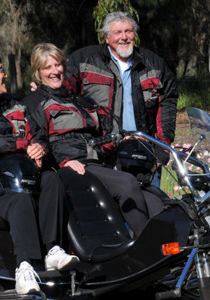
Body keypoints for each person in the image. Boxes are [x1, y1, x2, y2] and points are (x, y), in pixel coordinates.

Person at [0, 50, 78, 295]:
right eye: (0, 70)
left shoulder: (17, 105)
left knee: (52, 179)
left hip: (26, 174)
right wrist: (17, 144)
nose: (5, 74)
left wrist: (40, 148)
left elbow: (39, 136)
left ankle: (52, 250)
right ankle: (25, 267)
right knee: (20, 197)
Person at [24, 43, 162, 238]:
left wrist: (119, 141)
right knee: (126, 183)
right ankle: (147, 248)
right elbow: (38, 142)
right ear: (38, 71)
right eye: (48, 67)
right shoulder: (34, 102)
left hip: (96, 163)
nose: (55, 71)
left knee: (152, 196)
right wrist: (63, 161)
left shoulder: (79, 100)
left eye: (58, 65)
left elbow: (99, 137)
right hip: (70, 168)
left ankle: (172, 254)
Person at [64, 11, 179, 184]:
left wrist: (162, 146)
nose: (124, 37)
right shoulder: (83, 60)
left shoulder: (154, 64)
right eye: (118, 32)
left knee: (151, 204)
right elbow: (61, 97)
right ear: (106, 38)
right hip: (101, 154)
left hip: (145, 153)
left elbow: (168, 101)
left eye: (128, 31)